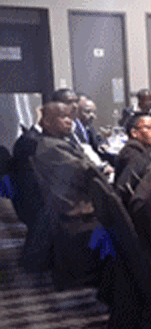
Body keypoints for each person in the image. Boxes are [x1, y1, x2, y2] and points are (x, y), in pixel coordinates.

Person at [25, 101, 105, 288]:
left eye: (70, 116)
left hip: (67, 203)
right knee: (125, 215)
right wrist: (97, 166)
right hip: (74, 209)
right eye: (63, 117)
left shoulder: (56, 143)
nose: (70, 121)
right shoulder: (52, 147)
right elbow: (85, 171)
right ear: (46, 121)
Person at [114, 114, 151, 192]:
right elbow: (124, 188)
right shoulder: (134, 155)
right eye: (148, 127)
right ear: (134, 133)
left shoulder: (142, 152)